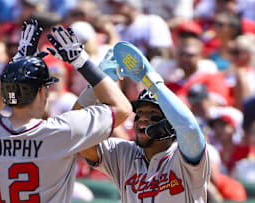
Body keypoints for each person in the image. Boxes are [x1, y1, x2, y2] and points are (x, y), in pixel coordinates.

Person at [0, 19, 132, 202]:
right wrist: (82, 62)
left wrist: (17, 63)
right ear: (41, 92)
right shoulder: (60, 132)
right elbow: (123, 108)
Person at [75, 41, 210, 202]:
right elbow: (75, 132)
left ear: (170, 125)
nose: (142, 119)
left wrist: (150, 80)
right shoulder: (124, 153)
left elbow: (189, 127)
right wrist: (95, 85)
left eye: (153, 114)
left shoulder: (184, 156)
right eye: (139, 113)